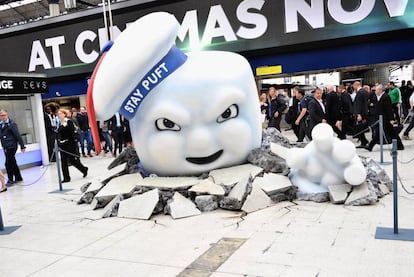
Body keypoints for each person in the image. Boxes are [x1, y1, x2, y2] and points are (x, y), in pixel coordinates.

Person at [365, 84, 404, 151]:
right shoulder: (377, 97)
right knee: (388, 133)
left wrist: (391, 119)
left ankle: (370, 147)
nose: (375, 91)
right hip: (379, 118)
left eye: (376, 90)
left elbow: (389, 108)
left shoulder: (386, 97)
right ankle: (400, 146)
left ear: (380, 90)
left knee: (386, 133)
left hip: (385, 119)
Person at [57, 109, 88, 183]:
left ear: (64, 114)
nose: (59, 115)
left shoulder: (69, 122)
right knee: (63, 162)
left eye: (61, 113)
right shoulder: (59, 123)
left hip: (70, 144)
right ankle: (66, 178)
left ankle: (84, 169)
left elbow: (73, 133)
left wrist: (74, 143)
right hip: (62, 145)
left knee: (73, 161)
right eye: (58, 114)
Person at [0, 109, 26, 185]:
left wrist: (22, 146)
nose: (3, 117)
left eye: (4, 115)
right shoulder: (1, 124)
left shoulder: (12, 124)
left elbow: (17, 135)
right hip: (5, 146)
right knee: (12, 161)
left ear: (7, 115)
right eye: (1, 116)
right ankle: (19, 177)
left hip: (12, 146)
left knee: (8, 163)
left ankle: (10, 179)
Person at [352, 81, 369, 148]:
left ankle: (364, 141)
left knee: (359, 128)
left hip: (361, 114)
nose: (353, 87)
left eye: (353, 85)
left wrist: (359, 114)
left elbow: (359, 104)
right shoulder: (364, 91)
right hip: (363, 113)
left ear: (356, 85)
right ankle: (364, 141)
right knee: (360, 128)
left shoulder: (360, 92)